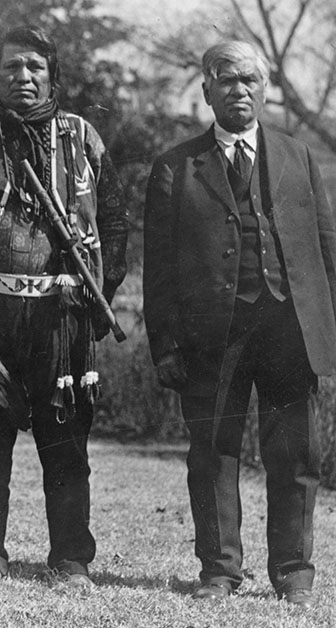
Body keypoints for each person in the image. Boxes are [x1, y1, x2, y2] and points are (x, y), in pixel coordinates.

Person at [0, 25, 129, 589]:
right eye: (12, 67)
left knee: (65, 441)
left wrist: (101, 293)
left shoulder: (82, 137)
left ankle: (70, 558)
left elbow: (114, 221)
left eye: (35, 67)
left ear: (53, 76)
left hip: (64, 315)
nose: (23, 76)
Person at [143, 40, 336, 608]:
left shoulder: (299, 157)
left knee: (296, 454)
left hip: (290, 331)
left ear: (266, 86)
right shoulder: (175, 167)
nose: (239, 89)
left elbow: (328, 253)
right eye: (226, 79)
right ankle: (220, 570)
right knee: (211, 454)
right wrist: (165, 347)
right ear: (206, 89)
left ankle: (294, 572)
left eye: (250, 79)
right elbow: (157, 271)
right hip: (211, 337)